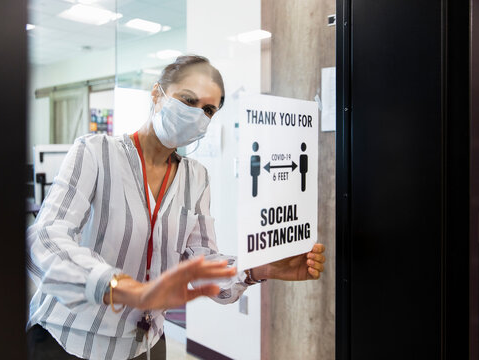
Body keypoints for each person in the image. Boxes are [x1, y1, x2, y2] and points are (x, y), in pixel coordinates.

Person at [26, 55, 326, 360]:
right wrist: (122, 288)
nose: (198, 114)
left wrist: (259, 268)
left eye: (208, 110)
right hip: (69, 338)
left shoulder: (195, 177)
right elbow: (44, 238)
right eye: (188, 99)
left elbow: (202, 261)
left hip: (143, 342)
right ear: (157, 94)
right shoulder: (95, 153)